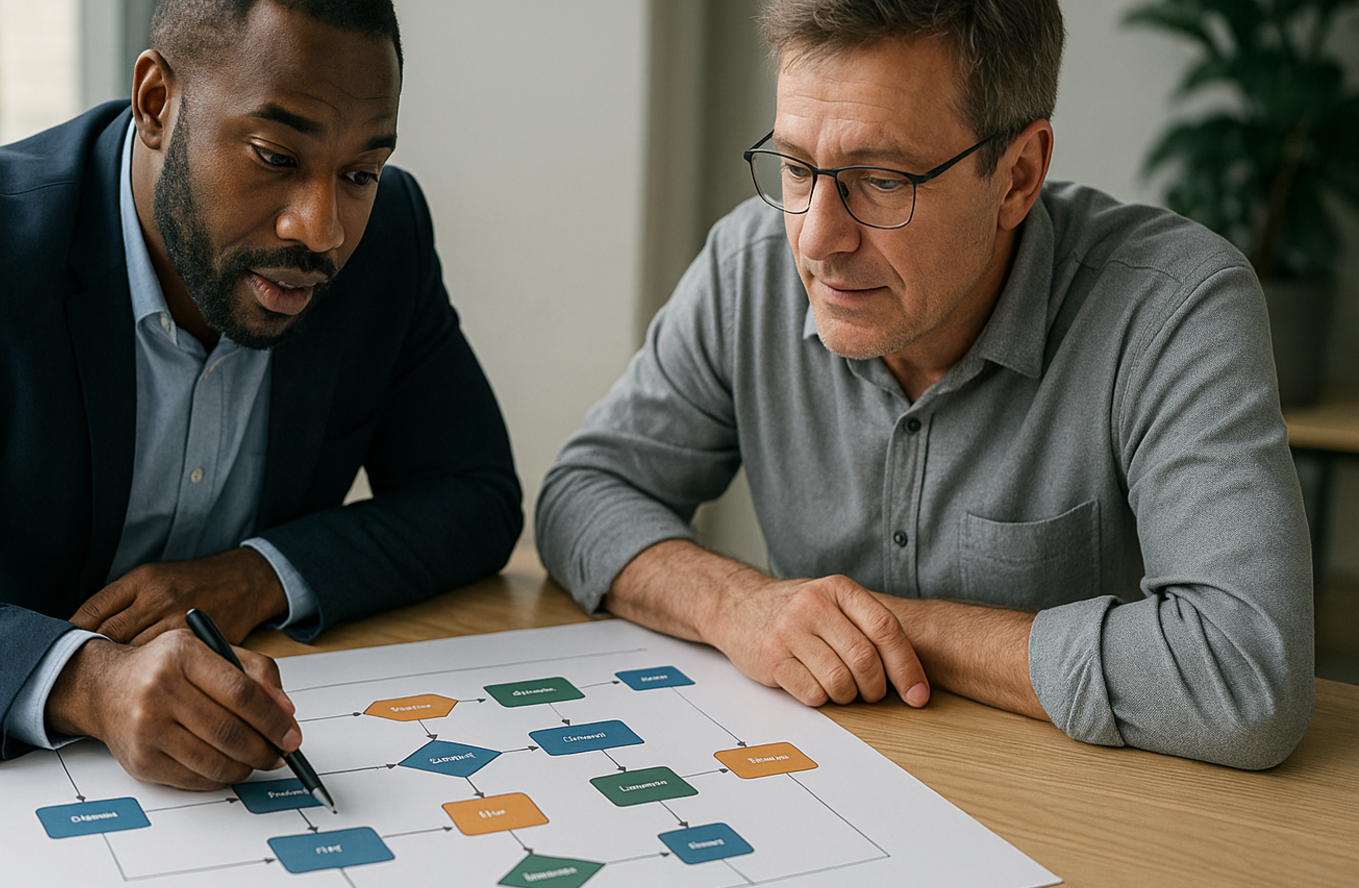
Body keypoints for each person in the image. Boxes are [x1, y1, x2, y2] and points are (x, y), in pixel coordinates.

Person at [0, 0, 521, 790]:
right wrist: (92, 682)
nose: (320, 228)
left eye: (360, 172)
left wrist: (254, 576)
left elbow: (475, 495)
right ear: (157, 103)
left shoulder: (388, 235)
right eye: (274, 156)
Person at [536, 0, 1314, 770]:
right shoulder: (748, 268)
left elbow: (1243, 673)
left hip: (1077, 806)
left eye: (881, 179)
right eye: (797, 167)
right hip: (816, 784)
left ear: (1018, 175)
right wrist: (739, 605)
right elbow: (583, 495)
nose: (817, 239)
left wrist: (884, 628)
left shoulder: (1173, 305)